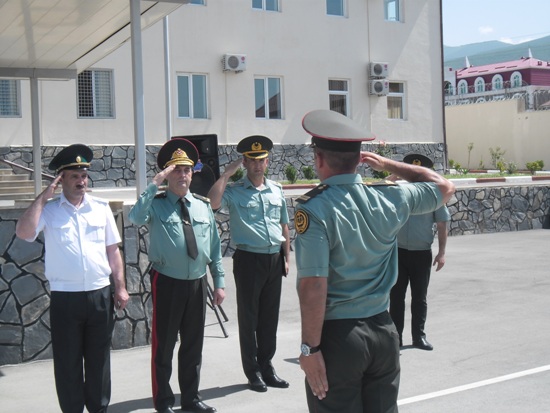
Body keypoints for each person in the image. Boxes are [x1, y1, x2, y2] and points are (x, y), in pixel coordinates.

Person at [294, 110, 455, 413]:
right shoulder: (391, 196)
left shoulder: (314, 208)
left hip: (338, 337)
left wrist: (309, 349)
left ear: (318, 159)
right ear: (359, 159)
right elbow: (445, 187)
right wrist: (388, 164)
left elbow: (314, 285)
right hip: (383, 330)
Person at [15, 144, 130, 413]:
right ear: (61, 179)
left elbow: (113, 251)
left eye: (84, 176)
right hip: (65, 298)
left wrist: (121, 287)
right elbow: (23, 231)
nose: (81, 181)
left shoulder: (100, 209)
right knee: (67, 362)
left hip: (100, 294)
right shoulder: (50, 210)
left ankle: (98, 409)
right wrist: (44, 196)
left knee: (99, 360)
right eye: (75, 176)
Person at [128, 138, 225, 413]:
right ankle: (164, 401)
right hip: (167, 282)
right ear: (168, 174)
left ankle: (191, 399)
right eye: (176, 170)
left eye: (186, 170)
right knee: (165, 346)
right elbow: (135, 218)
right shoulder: (157, 204)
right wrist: (154, 183)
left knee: (193, 346)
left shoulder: (203, 206)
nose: (182, 175)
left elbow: (214, 249)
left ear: (193, 174)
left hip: (197, 282)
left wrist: (219, 283)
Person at [207, 135, 291, 393]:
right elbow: (212, 202)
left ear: (267, 162)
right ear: (244, 162)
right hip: (249, 260)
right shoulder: (234, 191)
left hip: (273, 259)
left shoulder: (276, 190)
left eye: (261, 160)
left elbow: (284, 224)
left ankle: (267, 367)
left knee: (269, 319)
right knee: (249, 319)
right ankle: (252, 371)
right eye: (252, 160)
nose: (257, 165)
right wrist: (226, 173)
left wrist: (286, 257)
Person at [389, 154, 451, 351]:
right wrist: (394, 176)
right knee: (396, 297)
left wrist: (442, 253)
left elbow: (442, 225)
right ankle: (395, 338)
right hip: (397, 252)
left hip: (421, 253)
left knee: (419, 298)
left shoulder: (433, 195)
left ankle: (419, 337)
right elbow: (375, 188)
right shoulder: (397, 191)